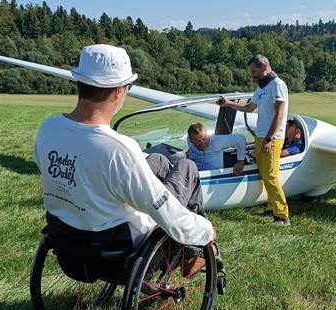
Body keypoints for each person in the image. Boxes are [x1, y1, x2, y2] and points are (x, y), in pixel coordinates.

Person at [33, 44, 215, 267]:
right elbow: (167, 212)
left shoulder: (48, 129)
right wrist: (205, 230)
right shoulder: (119, 148)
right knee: (186, 166)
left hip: (67, 232)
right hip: (120, 243)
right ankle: (193, 253)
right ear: (119, 90)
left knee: (158, 160)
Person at [217, 54, 290, 226]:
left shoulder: (277, 85)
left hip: (271, 138)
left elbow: (279, 115)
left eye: (254, 71)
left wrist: (269, 138)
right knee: (264, 174)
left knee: (271, 176)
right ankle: (271, 208)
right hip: (260, 136)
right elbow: (249, 108)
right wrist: (228, 104)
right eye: (251, 71)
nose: (252, 75)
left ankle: (282, 216)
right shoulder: (262, 87)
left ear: (264, 67)